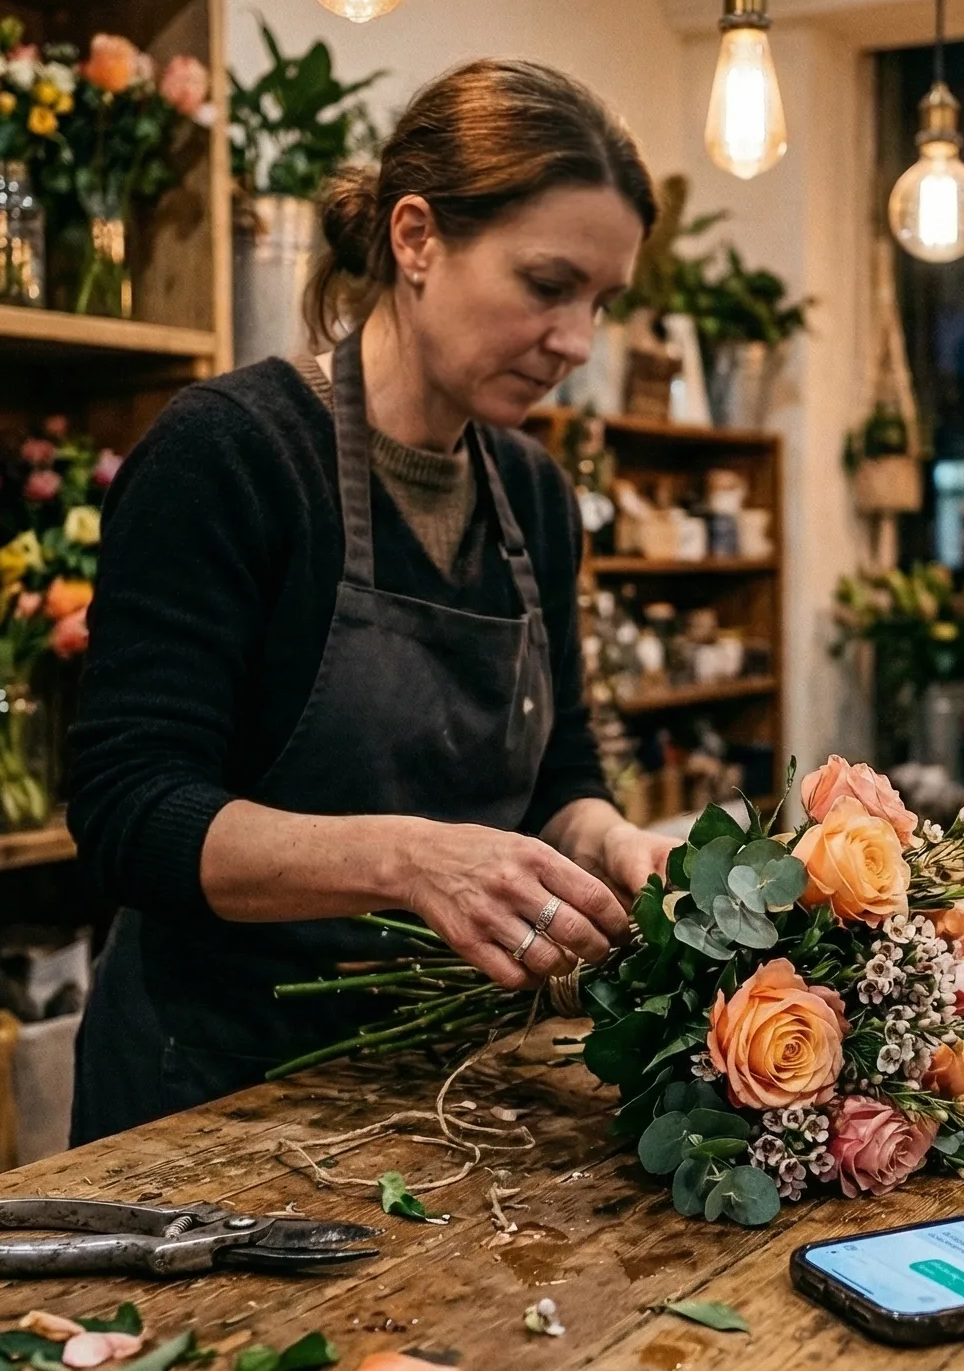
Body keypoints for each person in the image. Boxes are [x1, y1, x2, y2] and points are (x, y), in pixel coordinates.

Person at [66, 61, 680, 1143]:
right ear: (415, 239)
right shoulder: (231, 455)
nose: (578, 343)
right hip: (212, 1093)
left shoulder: (531, 495)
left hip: (447, 1088)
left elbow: (561, 776)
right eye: (547, 285)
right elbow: (129, 814)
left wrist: (614, 843)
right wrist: (410, 861)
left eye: (600, 302)